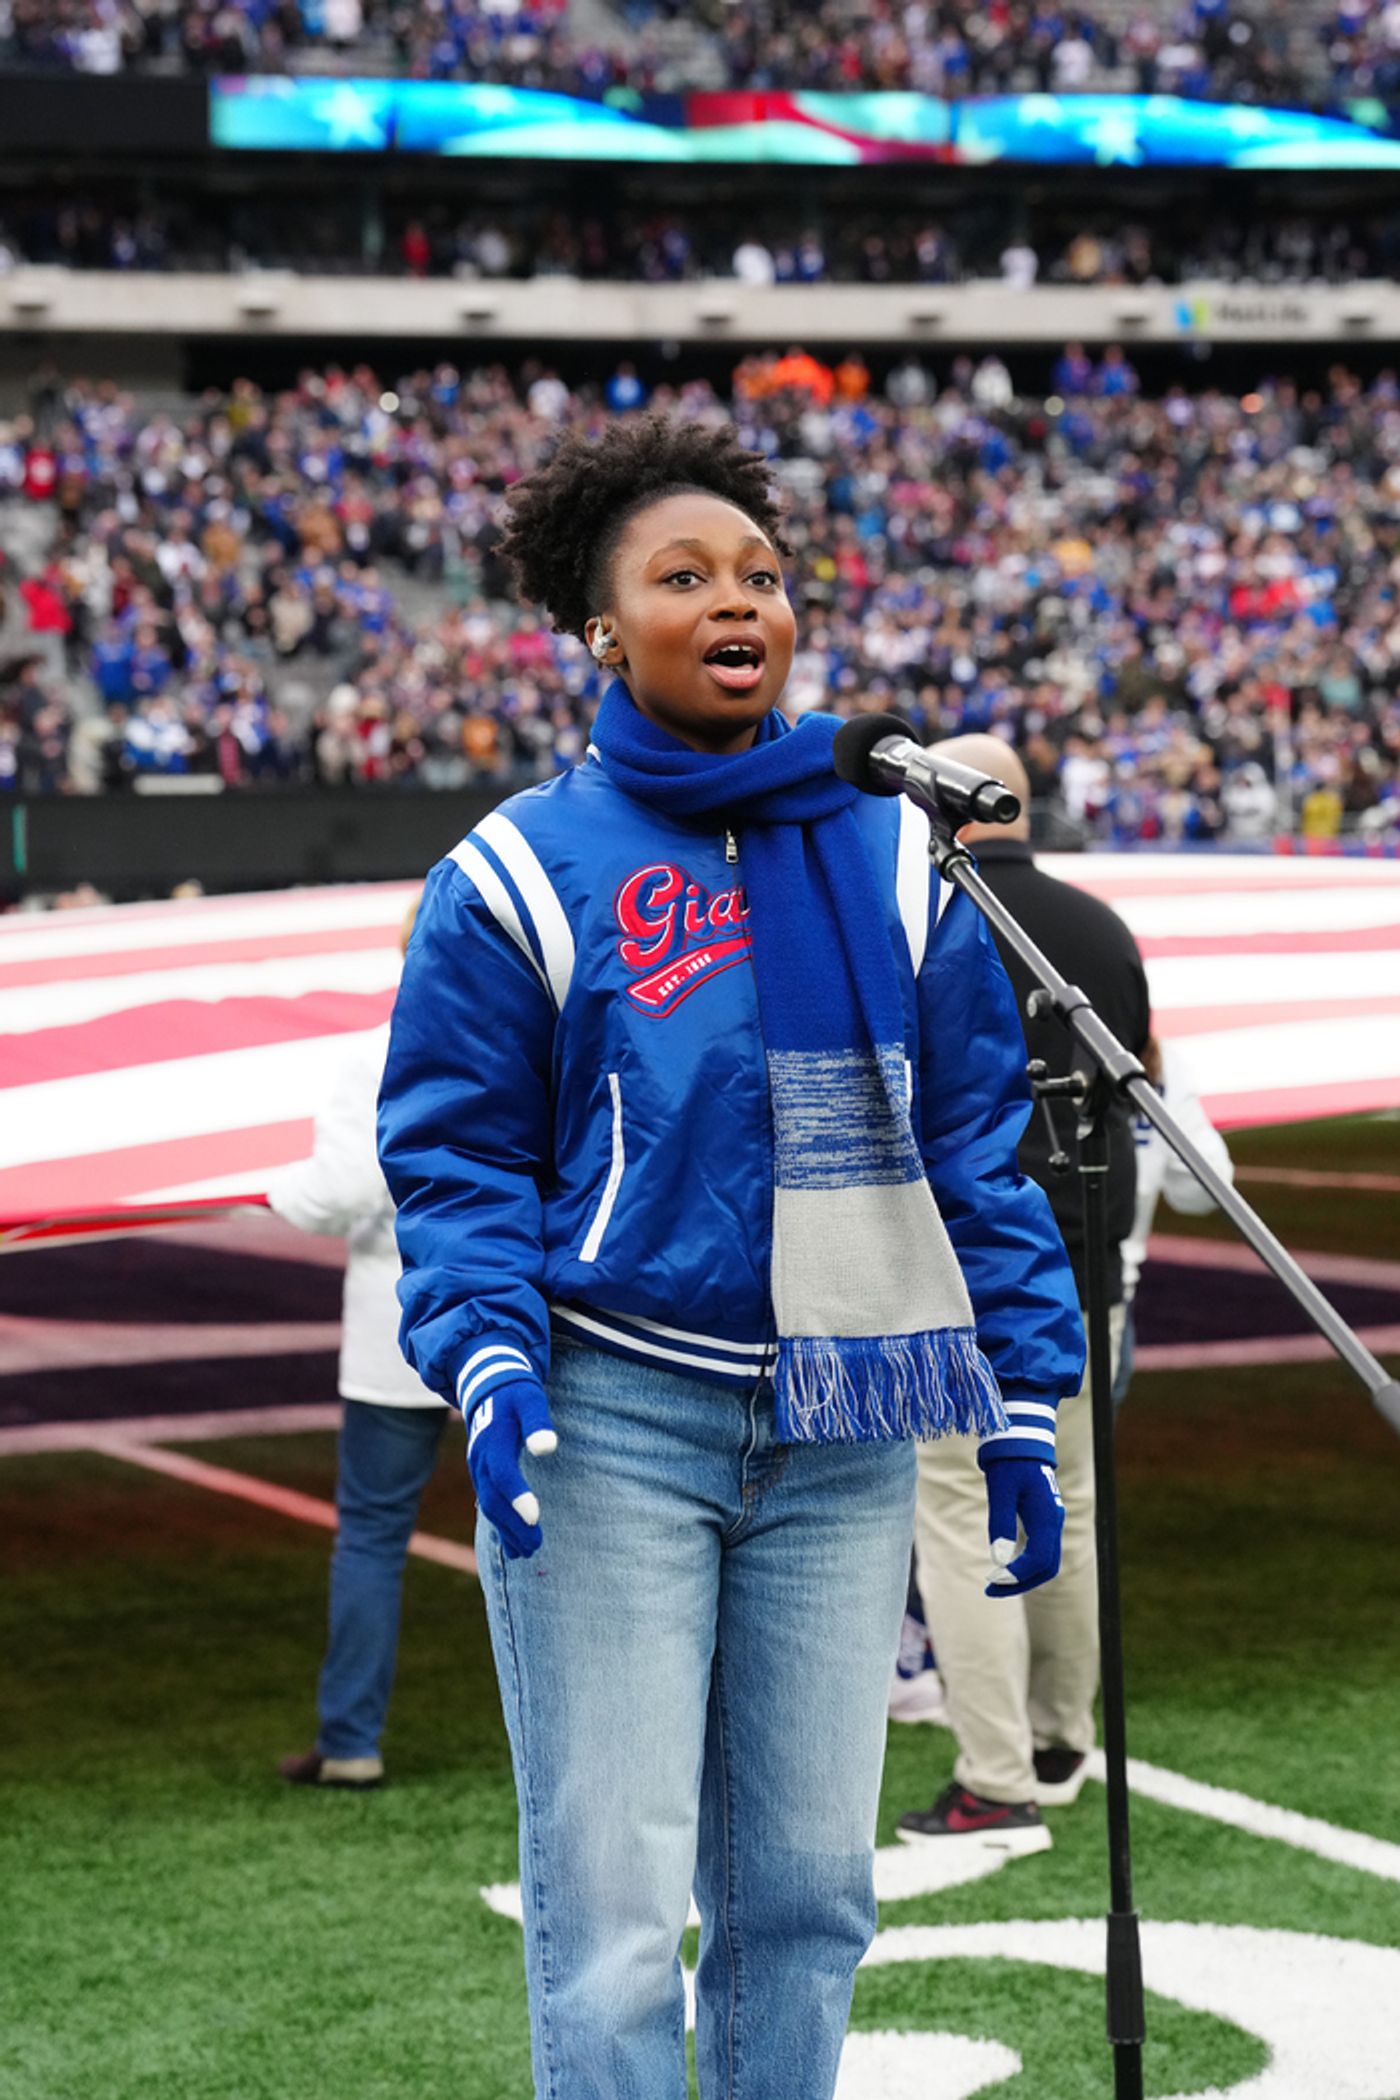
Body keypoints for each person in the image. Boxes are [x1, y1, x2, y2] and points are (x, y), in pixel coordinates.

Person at [376, 417, 1083, 2100]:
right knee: (616, 1921)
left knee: (810, 1903)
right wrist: (485, 1353)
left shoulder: (901, 849)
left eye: (760, 574)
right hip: (611, 1424)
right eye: (683, 577)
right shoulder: (516, 870)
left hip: (847, 1427)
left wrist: (1022, 1392)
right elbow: (457, 1151)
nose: (736, 600)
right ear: (600, 628)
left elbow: (973, 1145)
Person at [899, 732, 1151, 1850]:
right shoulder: (1100, 926)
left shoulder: (928, 920)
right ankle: (1057, 1740)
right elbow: (1130, 1080)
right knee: (1072, 1501)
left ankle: (995, 1777)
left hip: (969, 1272)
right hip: (1084, 1263)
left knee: (963, 1518)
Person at [271, 894, 450, 1792]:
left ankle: (351, 1741)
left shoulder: (374, 1058)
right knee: (578, 1538)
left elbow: (342, 1189)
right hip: (527, 1324)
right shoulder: (539, 1042)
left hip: (400, 1328)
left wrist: (274, 1190)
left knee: (374, 1534)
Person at [1116, 1034, 1234, 1401]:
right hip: (1110, 1293)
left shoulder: (1032, 1038)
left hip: (1014, 1285)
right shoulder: (1160, 1061)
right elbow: (1203, 1189)